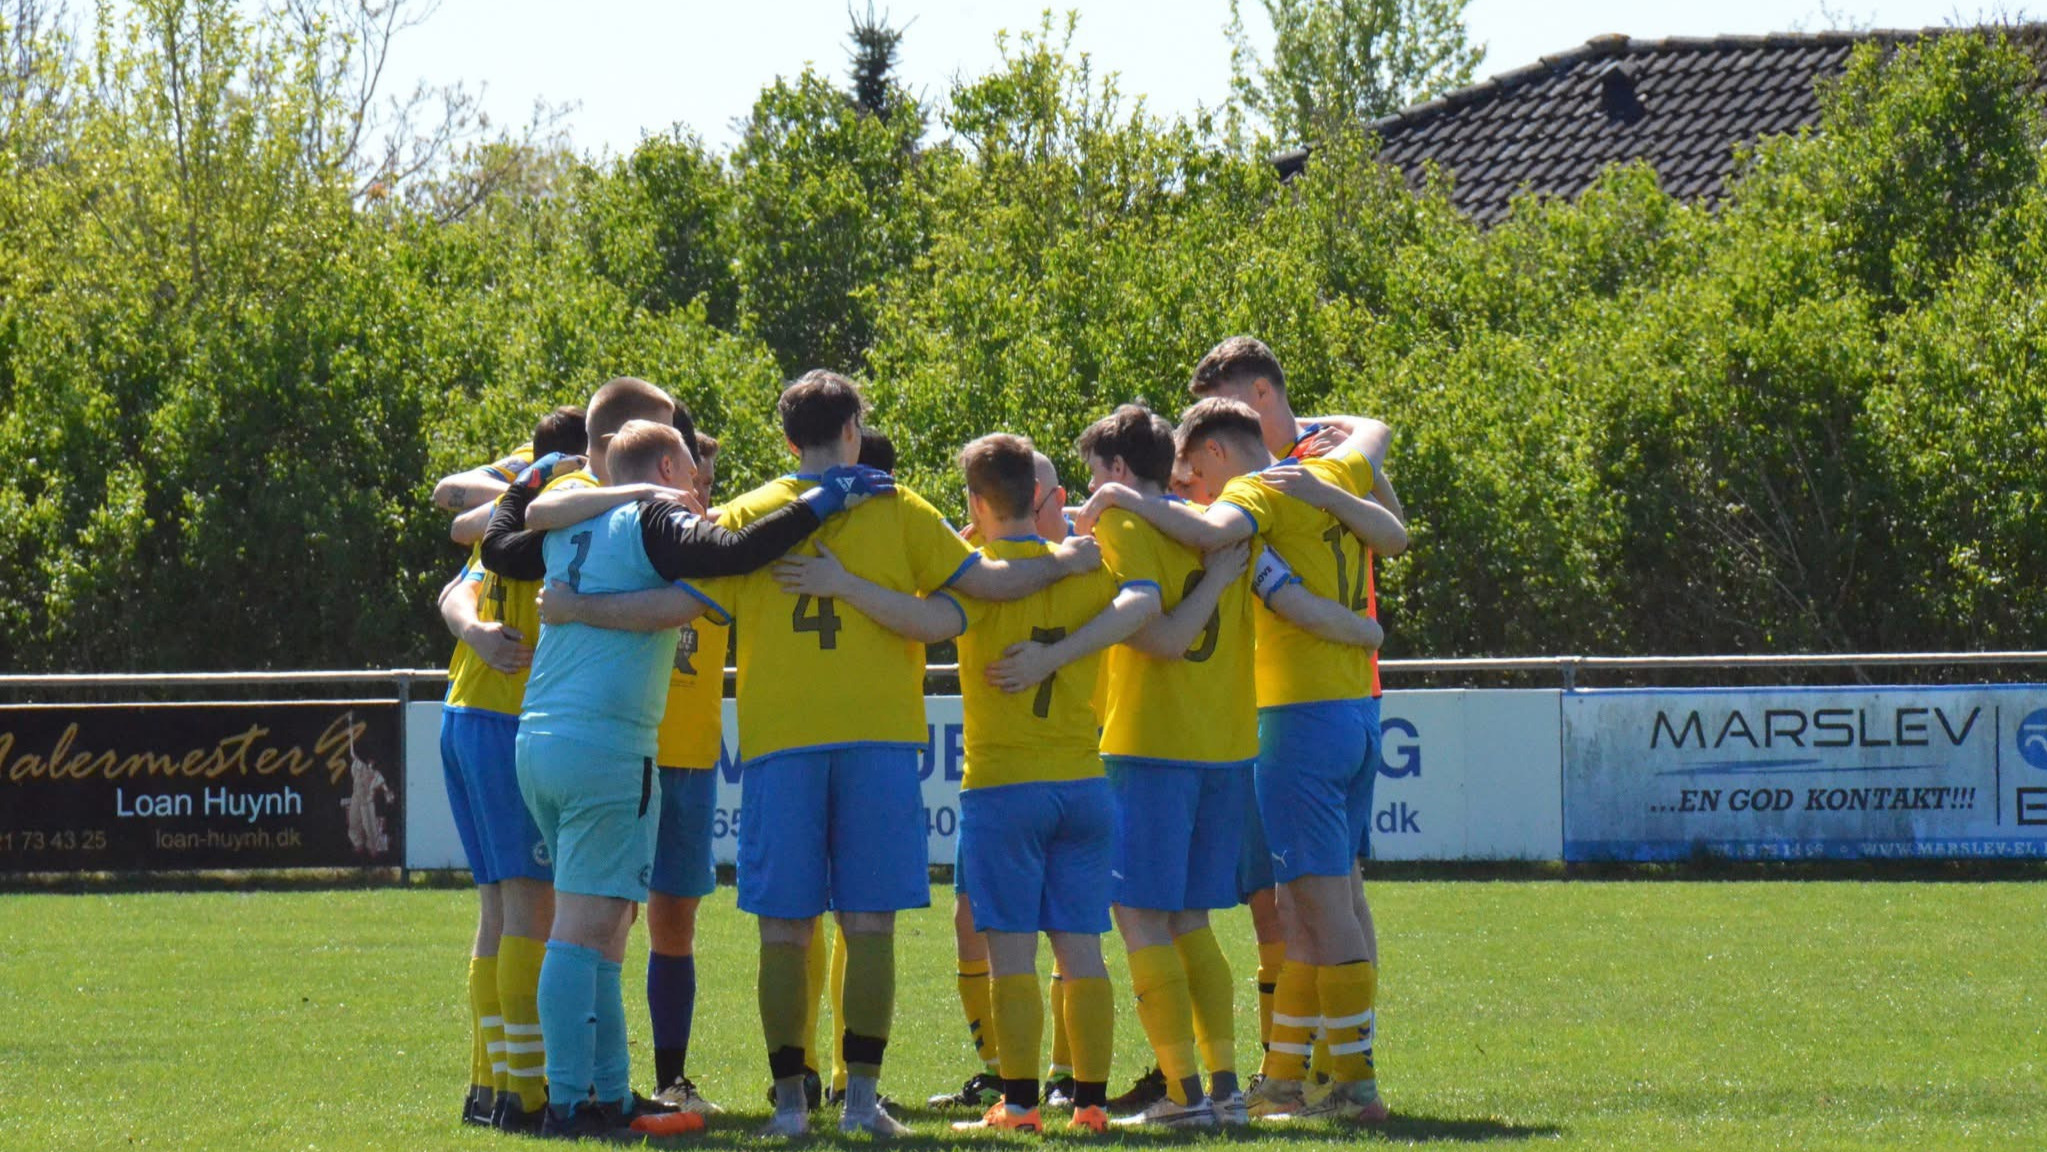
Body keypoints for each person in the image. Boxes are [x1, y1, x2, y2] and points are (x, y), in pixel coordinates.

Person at [539, 370, 1101, 1138]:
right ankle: (863, 1100)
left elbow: (672, 608)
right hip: (878, 741)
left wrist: (579, 610)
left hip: (780, 746)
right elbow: (988, 587)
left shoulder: (751, 512)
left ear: (786, 439)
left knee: (783, 929)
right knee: (870, 923)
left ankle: (790, 1108)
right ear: (852, 431)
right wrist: (1067, 563)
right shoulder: (897, 507)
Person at [483, 417, 890, 1140]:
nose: (700, 490)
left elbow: (496, 543)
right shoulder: (651, 515)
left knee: (605, 926)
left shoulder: (570, 524)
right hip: (605, 745)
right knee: (581, 928)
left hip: (542, 737)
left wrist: (530, 479)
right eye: (691, 475)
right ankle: (570, 1103)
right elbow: (736, 551)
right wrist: (824, 502)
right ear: (670, 466)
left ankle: (609, 1091)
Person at [776, 432, 1159, 1135]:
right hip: (1081, 780)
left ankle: (1016, 1105)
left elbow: (920, 621)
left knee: (1009, 948)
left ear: (977, 503)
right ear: (1040, 499)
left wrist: (845, 584)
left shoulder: (974, 579)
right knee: (1081, 947)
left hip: (1004, 786)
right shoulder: (1087, 567)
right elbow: (1144, 599)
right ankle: (1090, 1104)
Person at [1076, 394, 1405, 1124]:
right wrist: (1364, 630)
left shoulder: (1252, 498)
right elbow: (1393, 525)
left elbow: (1208, 527)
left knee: (1311, 907)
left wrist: (1120, 500)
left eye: (1196, 470)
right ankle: (1284, 1077)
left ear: (1216, 453)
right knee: (1308, 902)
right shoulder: (1330, 473)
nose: (1195, 486)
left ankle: (1348, 1083)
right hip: (1349, 711)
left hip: (1292, 719)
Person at [433, 405, 584, 1132]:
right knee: (532, 907)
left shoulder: (512, 507)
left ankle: (486, 1082)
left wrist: (476, 632)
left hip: (464, 711)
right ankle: (525, 1095)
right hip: (501, 720)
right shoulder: (545, 515)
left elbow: (453, 586)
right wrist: (488, 638)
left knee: (497, 910)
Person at [930, 447, 1078, 1115]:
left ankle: (1050, 1077)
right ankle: (1010, 1072)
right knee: (980, 925)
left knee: (1036, 939)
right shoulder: (1086, 563)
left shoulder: (988, 575)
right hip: (1033, 776)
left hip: (1022, 775)